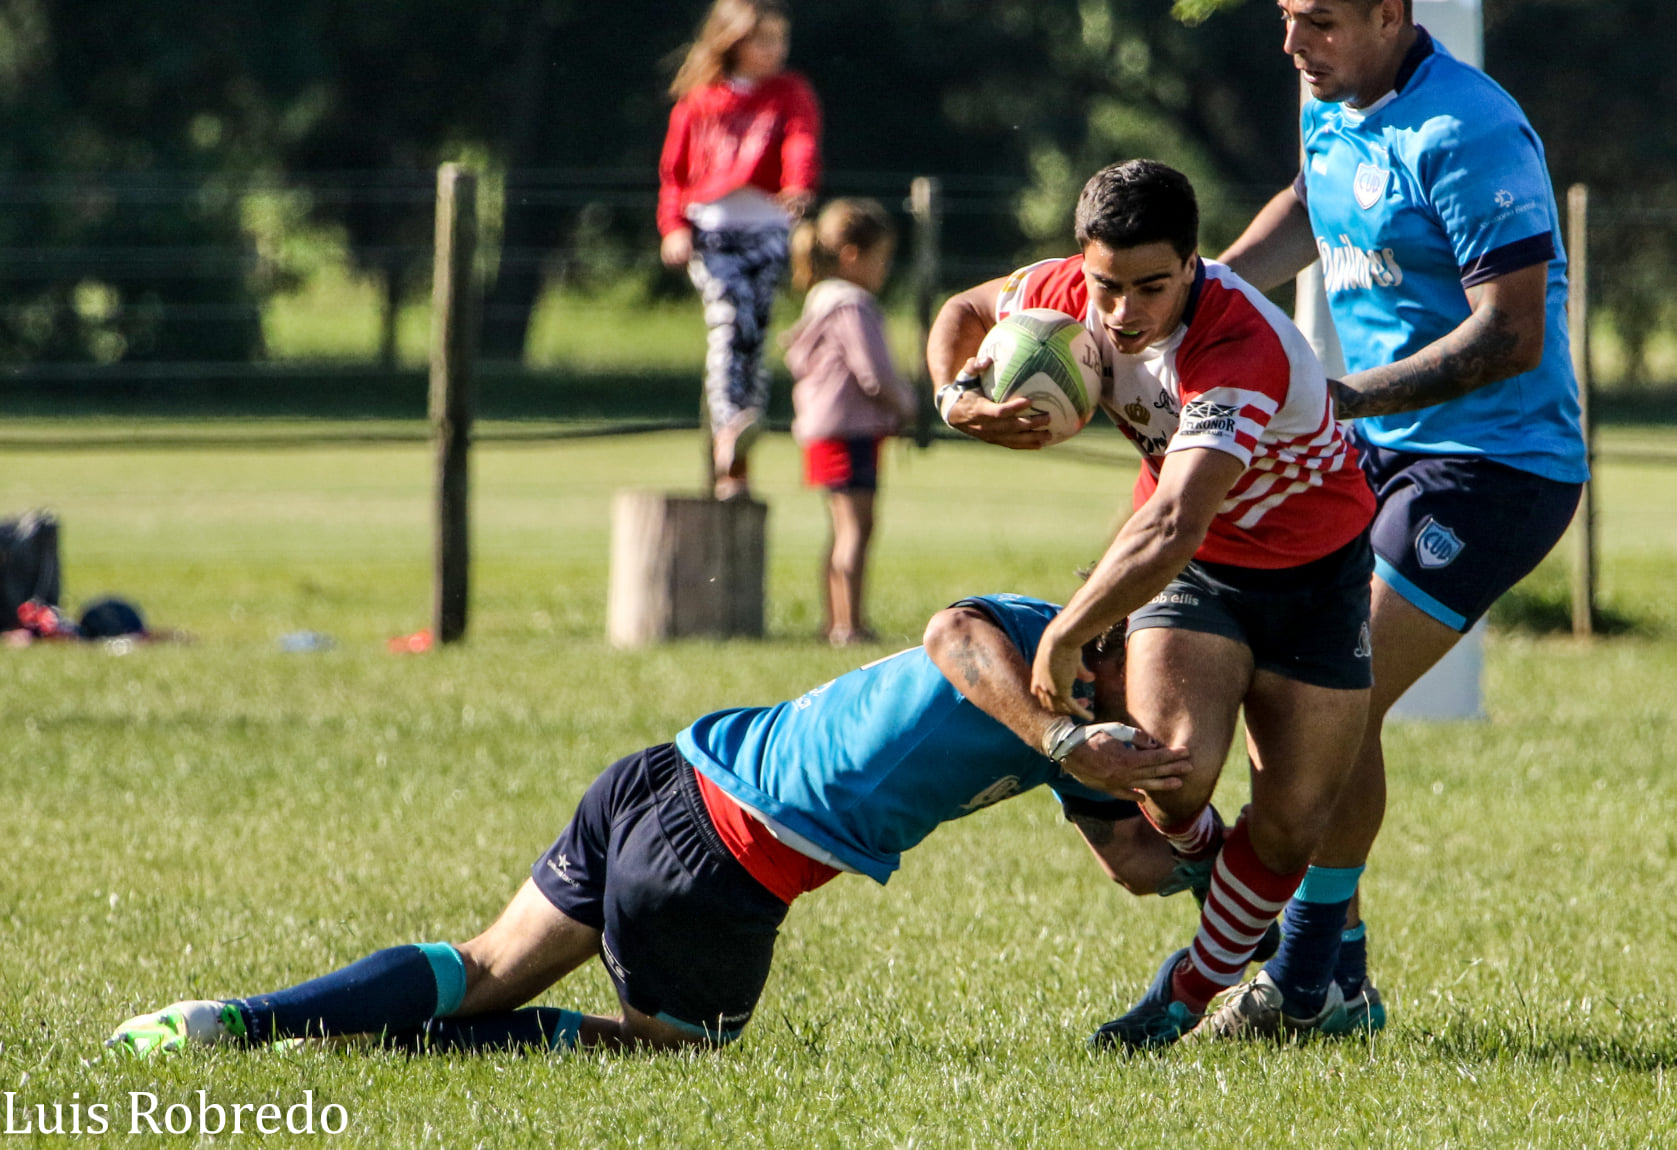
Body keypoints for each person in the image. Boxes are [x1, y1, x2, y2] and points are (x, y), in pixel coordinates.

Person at [107, 594, 1196, 1059]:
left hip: (659, 779)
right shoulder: (1024, 641)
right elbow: (952, 633)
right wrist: (1064, 744)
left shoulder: (1095, 729)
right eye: (1149, 666)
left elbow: (1138, 864)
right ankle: (365, 1038)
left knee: (487, 964)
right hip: (716, 862)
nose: (1156, 692)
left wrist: (1226, 851)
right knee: (672, 1059)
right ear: (1102, 642)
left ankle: (235, 1022)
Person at [1201, 0, 1589, 1039]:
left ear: (1390, 14)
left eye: (1319, 22)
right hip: (1377, 449)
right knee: (1304, 691)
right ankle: (1339, 981)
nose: (1294, 45)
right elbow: (1308, 201)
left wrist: (1344, 397)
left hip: (1495, 465)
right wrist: (1205, 299)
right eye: (1287, 18)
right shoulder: (1329, 94)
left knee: (1326, 696)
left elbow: (1509, 335)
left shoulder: (1468, 130)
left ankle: (1308, 975)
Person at [928, 159, 1378, 1050]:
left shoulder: (1235, 343)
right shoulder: (1064, 291)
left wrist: (1066, 632)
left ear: (1194, 263)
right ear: (1080, 262)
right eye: (1105, 287)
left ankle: (1183, 991)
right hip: (1198, 574)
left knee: (1290, 829)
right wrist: (955, 399)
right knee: (1169, 775)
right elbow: (962, 313)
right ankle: (1218, 872)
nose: (1123, 313)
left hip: (1314, 575)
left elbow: (1173, 516)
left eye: (1150, 288)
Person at [658, 0, 821, 500]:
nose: (777, 50)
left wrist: (798, 184)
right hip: (714, 234)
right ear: (734, 41)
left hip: (768, 230)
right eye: (765, 40)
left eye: (780, 40)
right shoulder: (699, 101)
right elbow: (674, 174)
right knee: (729, 320)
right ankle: (730, 425)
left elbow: (801, 141)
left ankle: (737, 458)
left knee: (753, 334)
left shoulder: (790, 93)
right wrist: (673, 227)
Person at [785, 199, 917, 646]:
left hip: (823, 429)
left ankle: (836, 621)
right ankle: (850, 626)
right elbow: (874, 373)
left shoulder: (819, 300)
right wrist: (905, 405)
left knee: (841, 528)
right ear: (852, 256)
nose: (885, 270)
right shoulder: (853, 303)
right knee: (858, 529)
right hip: (850, 431)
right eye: (881, 258)